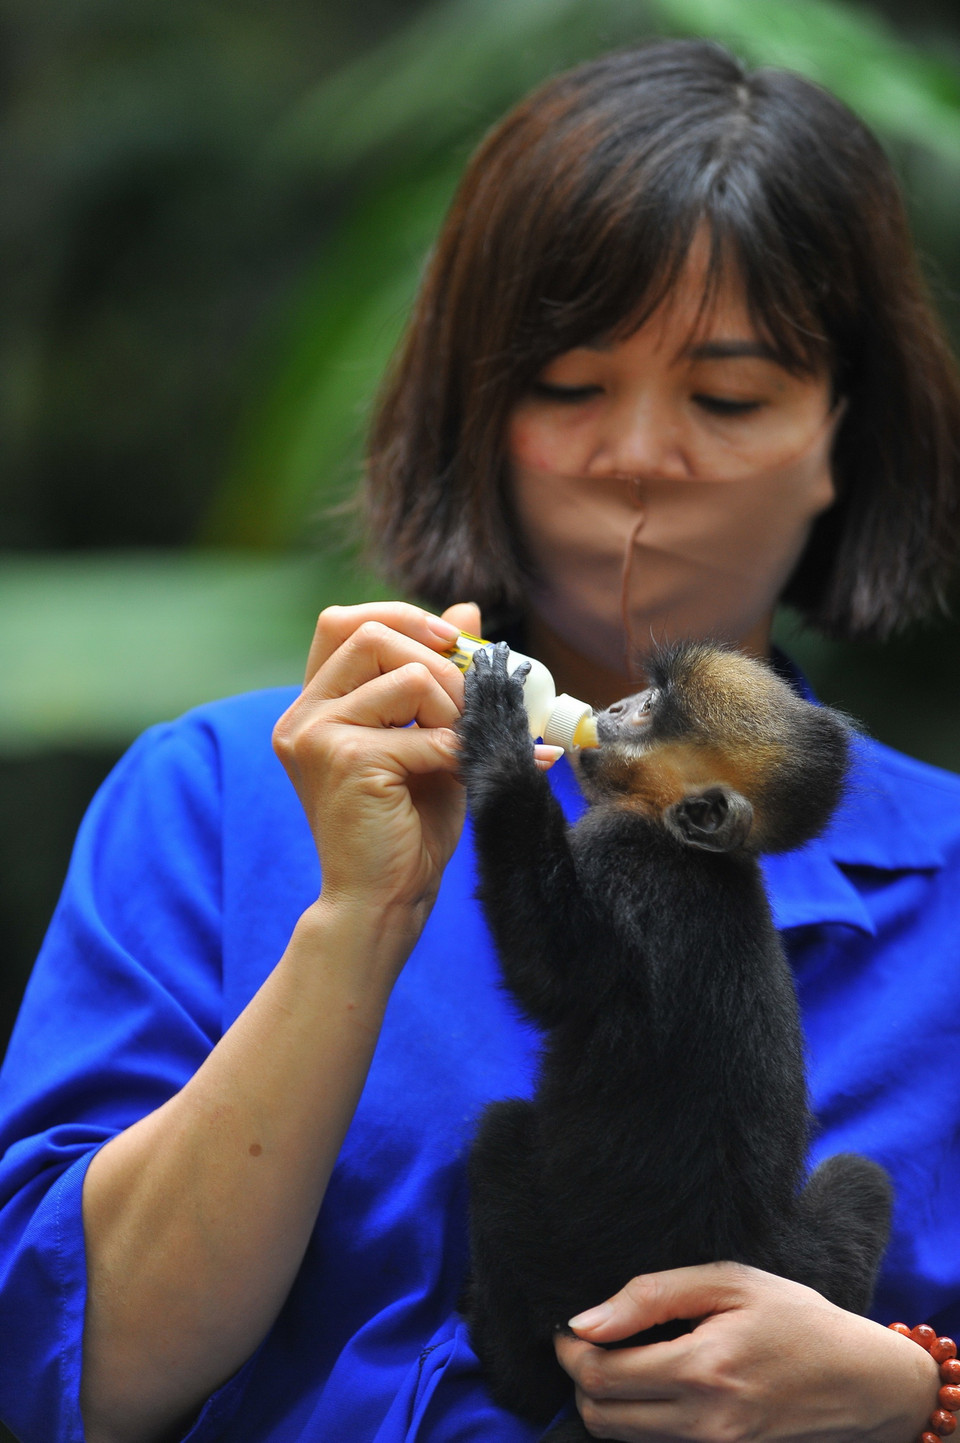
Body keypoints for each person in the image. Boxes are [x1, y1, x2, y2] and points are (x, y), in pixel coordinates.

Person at [2, 36, 960, 1443]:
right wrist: (354, 924)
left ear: (844, 442)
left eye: (729, 397)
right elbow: (69, 1381)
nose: (639, 456)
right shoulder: (216, 800)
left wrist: (916, 1396)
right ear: (478, 415)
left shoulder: (943, 879)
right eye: (568, 386)